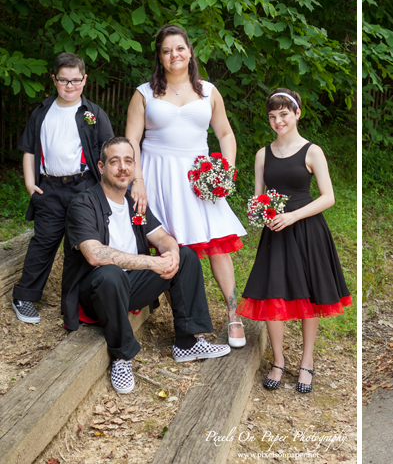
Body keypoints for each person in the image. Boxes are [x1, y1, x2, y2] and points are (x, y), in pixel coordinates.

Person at [64, 137, 230, 394]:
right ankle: (122, 357)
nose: (122, 168)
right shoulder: (84, 203)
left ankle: (188, 342)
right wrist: (151, 262)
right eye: (114, 161)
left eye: (128, 161)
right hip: (97, 292)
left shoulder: (133, 203)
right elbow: (94, 255)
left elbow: (161, 237)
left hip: (131, 285)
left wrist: (171, 252)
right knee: (110, 274)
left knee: (186, 256)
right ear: (101, 166)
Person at [126, 24, 247, 348]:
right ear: (160, 57)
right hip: (157, 174)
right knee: (167, 244)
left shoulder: (208, 91)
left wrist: (226, 171)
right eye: (166, 50)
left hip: (199, 177)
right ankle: (174, 317)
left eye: (179, 48)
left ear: (190, 51)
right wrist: (137, 180)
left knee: (218, 244)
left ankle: (233, 313)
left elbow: (225, 134)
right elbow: (132, 141)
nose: (174, 55)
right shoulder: (144, 94)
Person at [238, 88, 352, 393]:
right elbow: (258, 197)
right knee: (273, 294)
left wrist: (293, 215)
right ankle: (278, 360)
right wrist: (261, 211)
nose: (278, 121)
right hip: (275, 233)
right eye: (273, 116)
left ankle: (306, 361)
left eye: (284, 114)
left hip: (306, 231)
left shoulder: (312, 151)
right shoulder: (263, 154)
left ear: (297, 113)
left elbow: (328, 197)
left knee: (308, 298)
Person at [12, 52, 113, 325]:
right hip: (49, 189)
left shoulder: (93, 114)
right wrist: (31, 184)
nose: (70, 87)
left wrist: (104, 189)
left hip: (83, 187)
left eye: (76, 80)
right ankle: (24, 295)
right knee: (43, 242)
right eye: (64, 81)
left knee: (78, 247)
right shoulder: (42, 112)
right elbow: (29, 151)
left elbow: (109, 152)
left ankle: (74, 305)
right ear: (54, 79)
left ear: (85, 79)